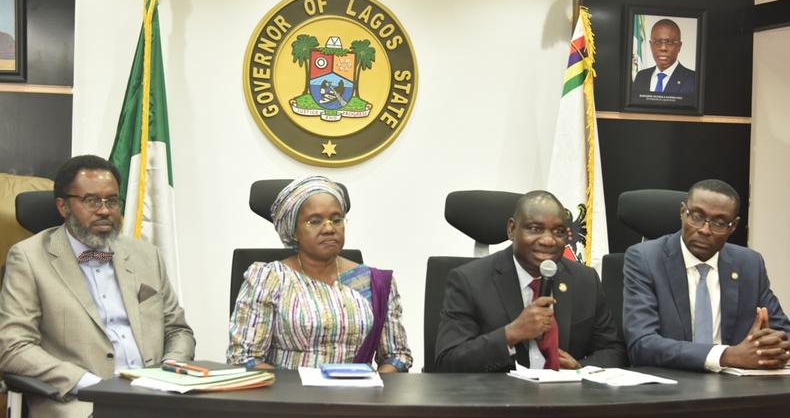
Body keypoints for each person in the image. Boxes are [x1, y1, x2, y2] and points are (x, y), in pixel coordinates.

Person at [0, 155, 195, 417]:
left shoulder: (145, 255)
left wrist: (170, 368)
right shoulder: (29, 258)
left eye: (112, 200)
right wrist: (90, 384)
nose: (104, 210)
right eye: (91, 201)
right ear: (63, 207)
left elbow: (178, 330)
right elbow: (14, 347)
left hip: (157, 397)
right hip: (80, 400)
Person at [227, 176, 412, 372]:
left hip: (357, 398)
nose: (329, 228)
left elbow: (397, 355)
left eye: (336, 219)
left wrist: (372, 387)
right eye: (315, 221)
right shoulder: (268, 279)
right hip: (287, 397)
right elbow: (244, 358)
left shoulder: (376, 283)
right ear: (294, 231)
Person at [434, 191, 626, 372]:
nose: (548, 240)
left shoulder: (585, 280)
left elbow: (613, 351)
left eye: (558, 232)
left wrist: (580, 369)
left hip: (566, 400)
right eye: (535, 229)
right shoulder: (469, 281)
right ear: (512, 229)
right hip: (500, 401)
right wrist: (511, 334)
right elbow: (448, 361)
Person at [623, 179, 790, 371]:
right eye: (696, 216)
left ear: (733, 226)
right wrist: (726, 355)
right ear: (682, 212)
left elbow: (783, 333)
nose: (704, 229)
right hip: (671, 386)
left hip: (737, 388)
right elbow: (641, 344)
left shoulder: (749, 264)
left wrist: (769, 344)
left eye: (719, 223)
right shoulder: (645, 259)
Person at [632, 18, 696, 94]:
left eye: (669, 42)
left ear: (679, 46)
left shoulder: (694, 79)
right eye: (658, 42)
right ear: (651, 45)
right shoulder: (641, 76)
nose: (663, 48)